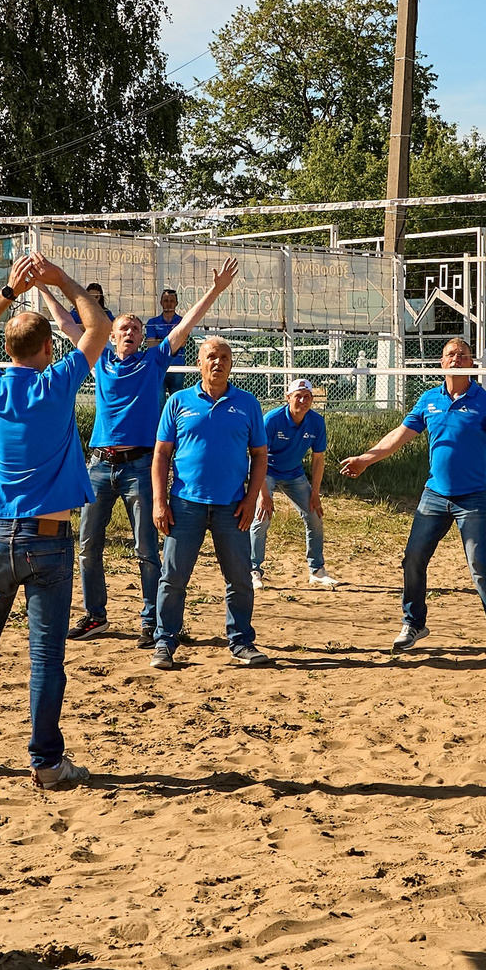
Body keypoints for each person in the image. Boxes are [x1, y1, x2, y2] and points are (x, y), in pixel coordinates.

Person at [0, 252, 110, 790]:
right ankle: (46, 761)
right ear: (46, 350)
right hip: (49, 539)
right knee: (45, 658)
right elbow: (99, 326)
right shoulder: (54, 384)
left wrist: (10, 293)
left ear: (8, 349)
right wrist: (59, 278)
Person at [339, 338, 486, 657]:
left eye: (462, 355)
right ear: (441, 363)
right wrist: (365, 459)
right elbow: (399, 436)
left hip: (472, 498)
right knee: (413, 557)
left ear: (471, 364)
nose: (456, 358)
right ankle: (413, 623)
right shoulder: (428, 400)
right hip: (434, 494)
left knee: (479, 562)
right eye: (450, 354)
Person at [68, 259, 238, 644]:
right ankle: (96, 616)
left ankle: (152, 620)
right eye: (123, 328)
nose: (130, 332)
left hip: (140, 465)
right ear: (111, 336)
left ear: (144, 337)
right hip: (99, 464)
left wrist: (216, 290)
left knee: (146, 548)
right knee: (88, 547)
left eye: (136, 329)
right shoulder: (100, 363)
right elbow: (68, 323)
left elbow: (185, 326)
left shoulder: (153, 359)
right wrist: (45, 288)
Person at [149, 336, 270, 670]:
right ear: (199, 363)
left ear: (232, 364)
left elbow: (260, 455)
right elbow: (161, 454)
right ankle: (165, 641)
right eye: (212, 357)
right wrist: (160, 501)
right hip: (184, 504)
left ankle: (242, 641)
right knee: (173, 577)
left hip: (232, 507)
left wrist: (251, 497)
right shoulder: (178, 402)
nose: (218, 363)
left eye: (225, 358)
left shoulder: (247, 404)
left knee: (240, 578)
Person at [251, 378, 338, 591]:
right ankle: (253, 571)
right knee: (261, 518)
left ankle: (317, 570)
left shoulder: (316, 422)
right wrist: (263, 494)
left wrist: (315, 492)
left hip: (294, 474)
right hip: (267, 471)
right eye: (297, 396)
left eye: (307, 397)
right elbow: (257, 456)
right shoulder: (272, 420)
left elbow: (318, 458)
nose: (302, 400)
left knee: (315, 515)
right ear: (288, 397)